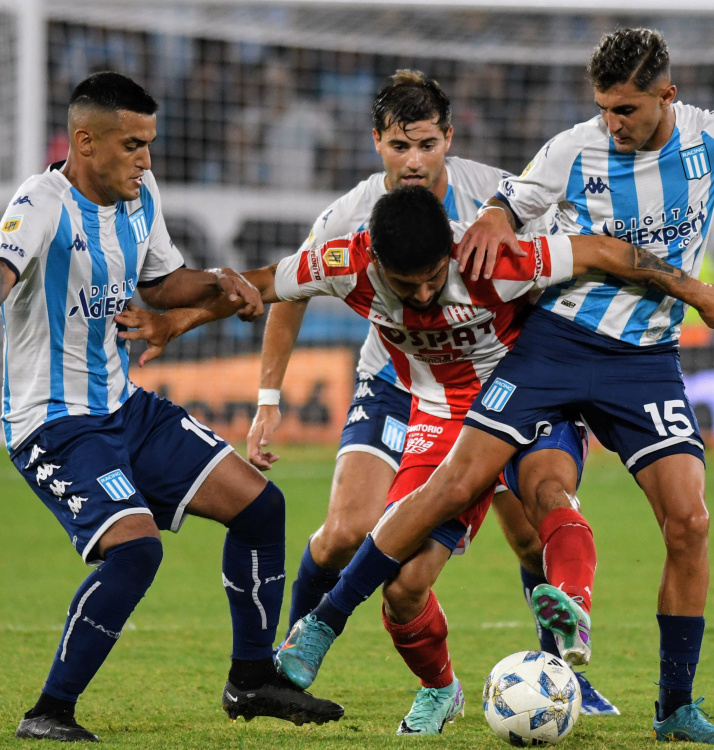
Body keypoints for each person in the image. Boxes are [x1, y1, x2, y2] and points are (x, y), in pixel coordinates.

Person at [236, 29, 714, 746]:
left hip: (645, 360)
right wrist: (494, 224)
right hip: (554, 345)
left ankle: (676, 707)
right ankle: (321, 628)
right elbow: (511, 206)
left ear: (667, 95)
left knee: (688, 522)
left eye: (625, 108)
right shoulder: (570, 149)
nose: (610, 122)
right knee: (464, 478)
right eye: (602, 107)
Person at [116, 184, 714, 735]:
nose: (422, 294)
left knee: (549, 499)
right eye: (406, 284)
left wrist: (694, 290)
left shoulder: (491, 259)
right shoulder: (346, 262)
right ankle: (441, 688)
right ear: (376, 264)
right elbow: (257, 286)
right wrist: (178, 324)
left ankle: (570, 619)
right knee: (405, 586)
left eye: (432, 277)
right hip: (441, 414)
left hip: (528, 395)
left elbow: (603, 252)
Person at [245, 69, 618, 715]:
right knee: (346, 533)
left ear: (448, 139)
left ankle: (563, 673)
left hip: (504, 378)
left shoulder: (498, 198)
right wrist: (268, 399)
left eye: (425, 145)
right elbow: (287, 289)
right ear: (376, 144)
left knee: (529, 535)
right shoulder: (352, 216)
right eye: (398, 146)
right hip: (399, 381)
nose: (413, 161)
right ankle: (296, 660)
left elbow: (574, 264)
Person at [0, 71, 344, 743]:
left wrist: (222, 281)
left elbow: (162, 285)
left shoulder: (139, 195)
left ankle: (250, 680)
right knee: (135, 551)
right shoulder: (38, 205)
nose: (146, 160)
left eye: (149, 144)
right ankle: (50, 710)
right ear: (84, 140)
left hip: (124, 407)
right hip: (53, 423)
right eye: (132, 145)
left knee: (259, 507)